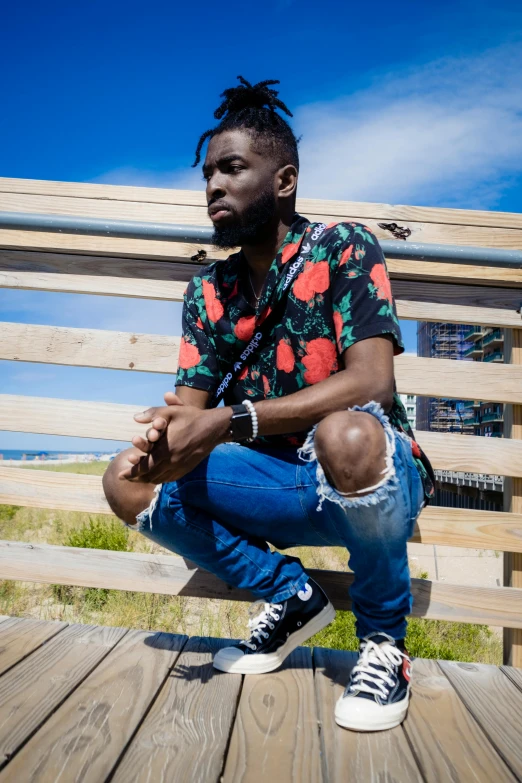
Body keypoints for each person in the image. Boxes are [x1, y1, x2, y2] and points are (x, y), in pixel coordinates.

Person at [103, 76, 434, 732]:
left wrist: (232, 419)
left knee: (346, 434)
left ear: (283, 180)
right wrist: (165, 438)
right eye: (207, 176)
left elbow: (372, 382)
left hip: (366, 475)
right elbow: (193, 414)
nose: (213, 188)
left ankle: (383, 644)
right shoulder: (209, 292)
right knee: (125, 480)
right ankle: (291, 595)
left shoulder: (344, 247)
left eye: (231, 169)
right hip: (273, 485)